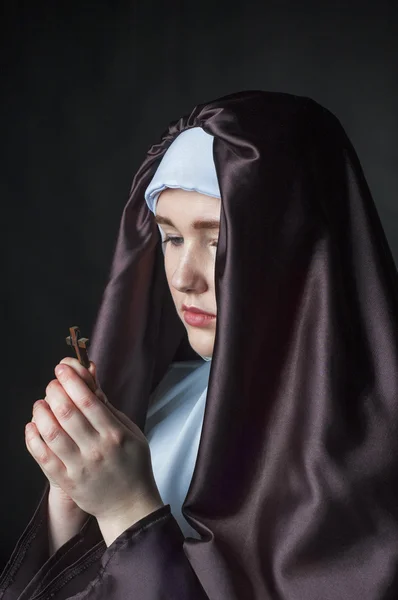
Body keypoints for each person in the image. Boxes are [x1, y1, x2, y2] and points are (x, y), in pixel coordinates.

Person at [1, 90, 398, 599]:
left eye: (218, 241)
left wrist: (128, 511)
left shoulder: (370, 443)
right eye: (171, 237)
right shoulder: (168, 400)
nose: (185, 277)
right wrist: (70, 499)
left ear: (298, 250)